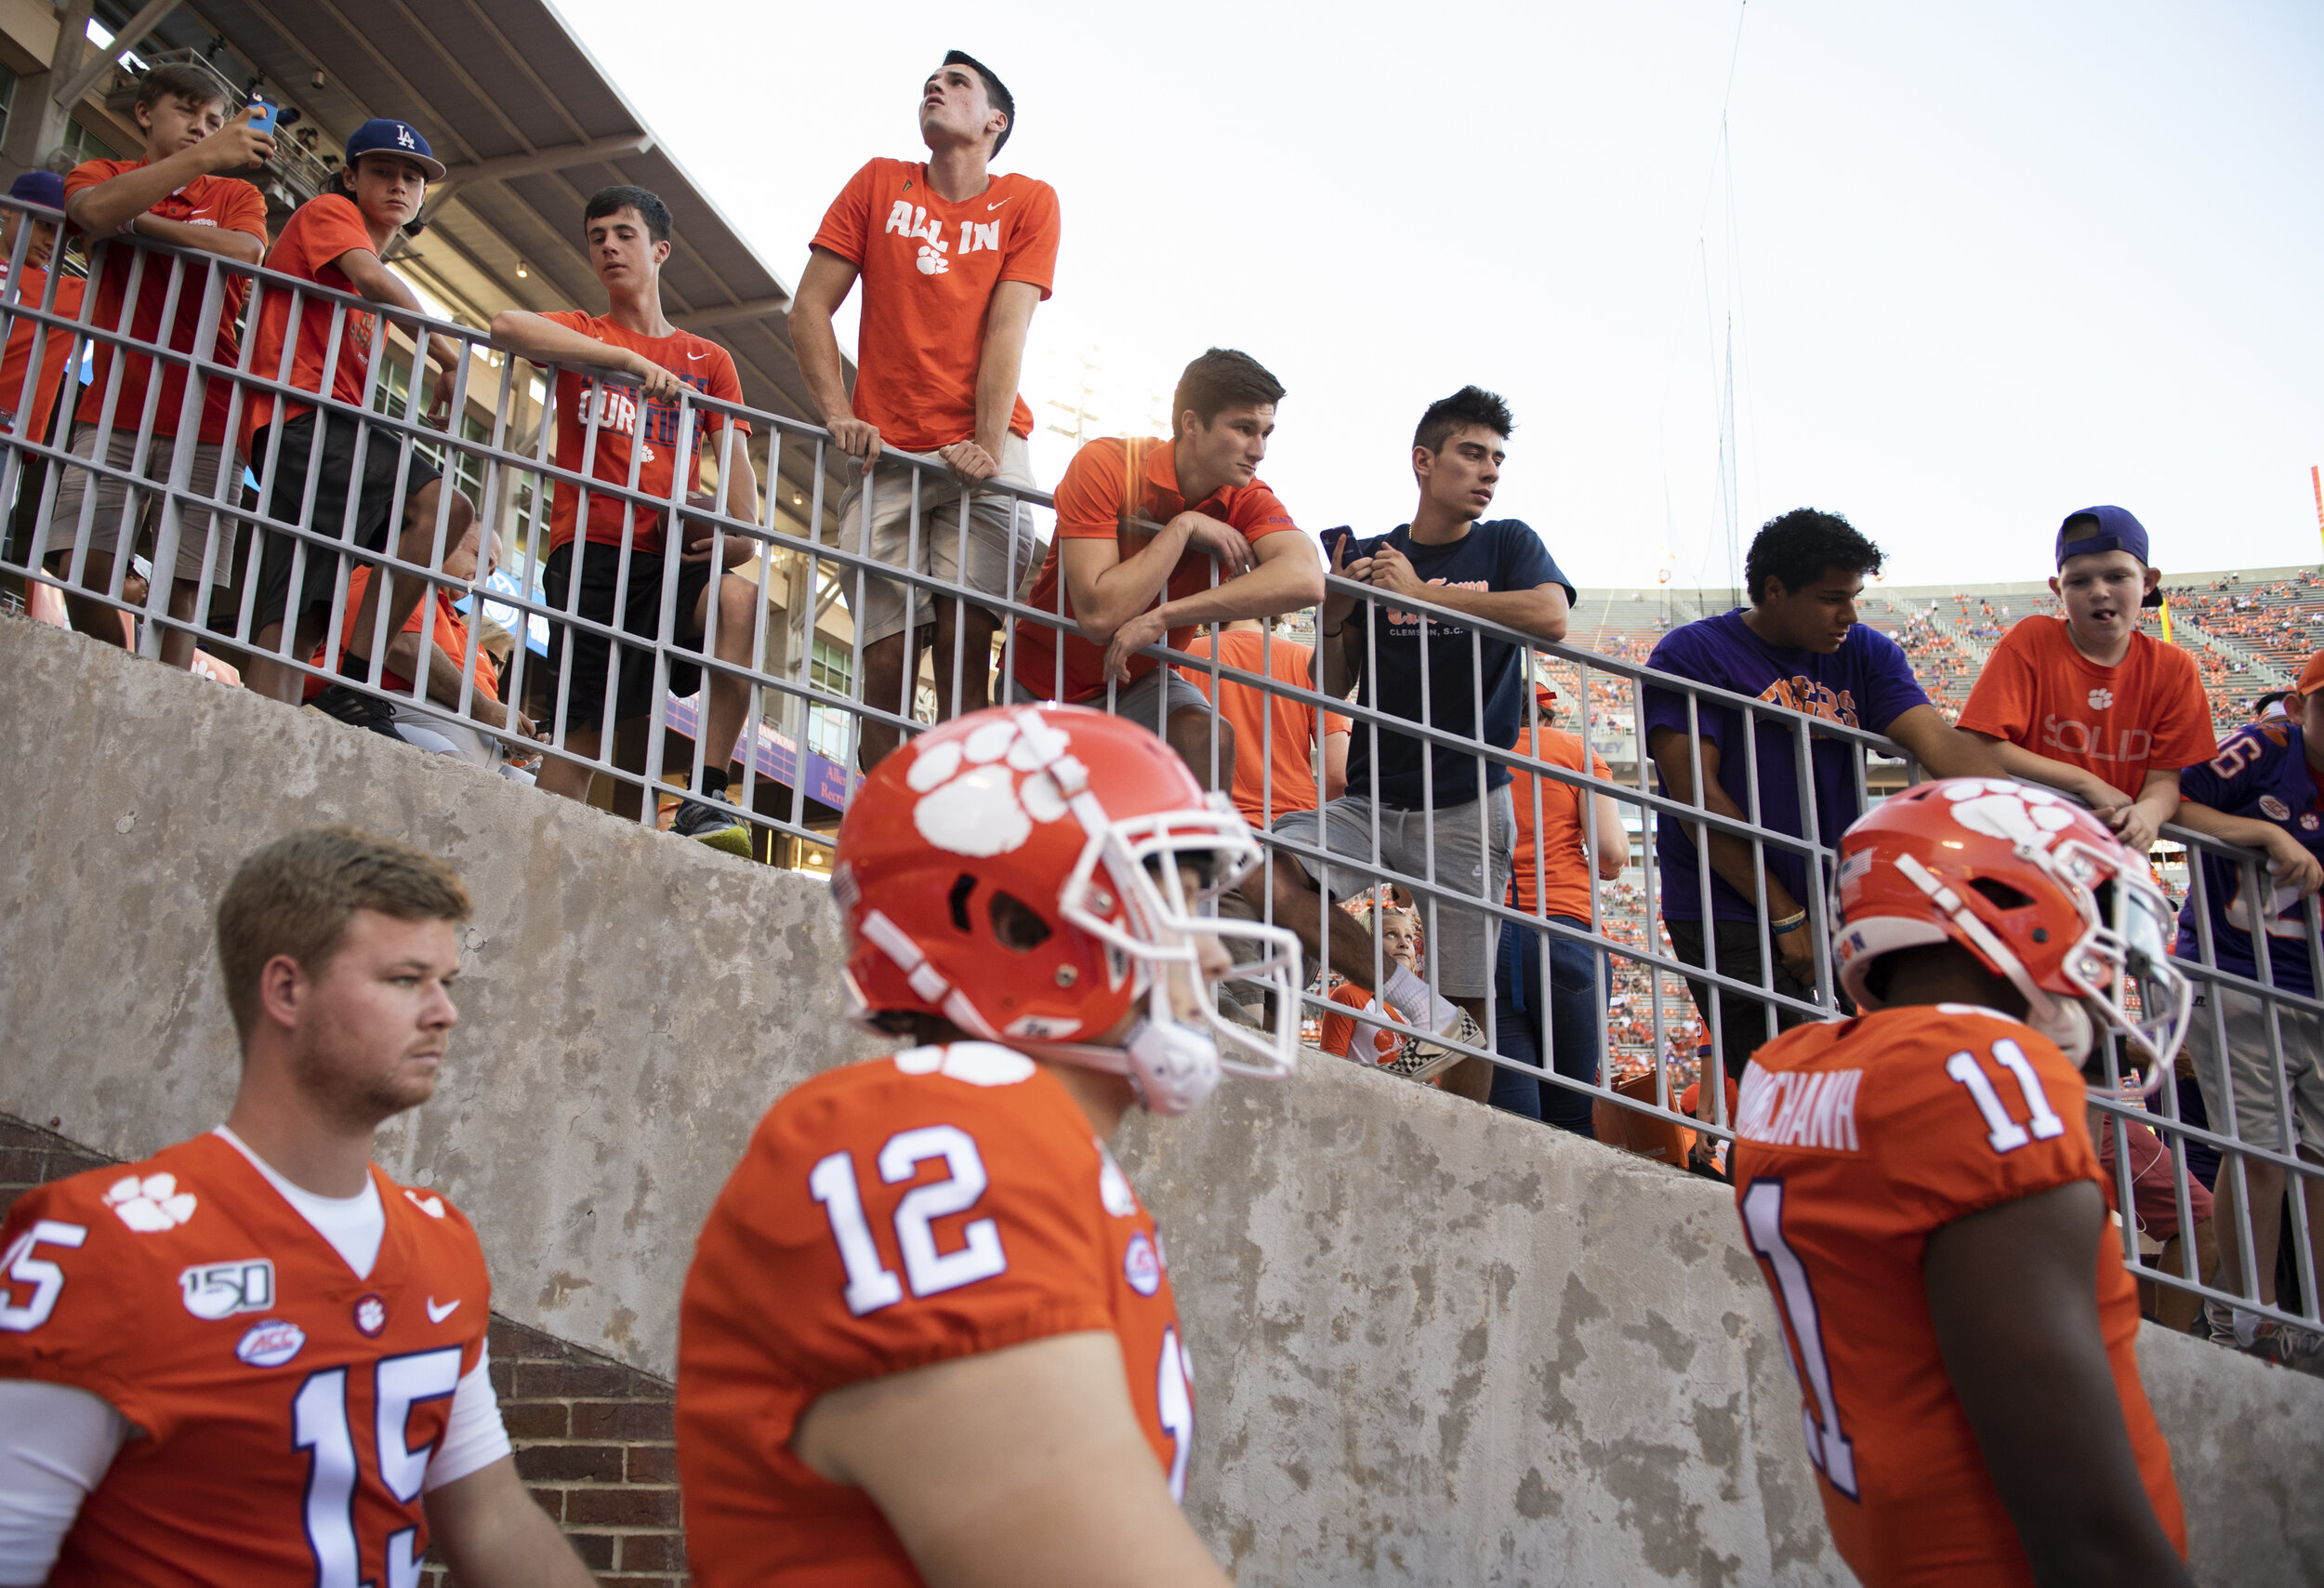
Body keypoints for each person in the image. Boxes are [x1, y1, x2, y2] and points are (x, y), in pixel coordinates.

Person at [675, 704, 1300, 1585]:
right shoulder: (934, 1139)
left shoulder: (1030, 1145)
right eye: (1175, 893)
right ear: (1014, 920)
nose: (1219, 957)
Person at [0, 827, 595, 1586]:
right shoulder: (101, 1242)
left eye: (446, 982)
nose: (444, 1012)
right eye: (406, 979)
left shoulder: (439, 1240)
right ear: (287, 990)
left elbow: (491, 1516)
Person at [1733, 776, 2193, 1588]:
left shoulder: (1791, 1069)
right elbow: (2086, 1528)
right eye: (2094, 908)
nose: (2110, 954)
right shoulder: (1978, 1076)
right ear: (2001, 897)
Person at [1643, 509, 2003, 1171]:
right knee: (1792, 1083)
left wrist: (2023, 817)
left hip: (1837, 898)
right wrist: (1786, 915)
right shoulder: (1694, 652)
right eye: (1832, 599)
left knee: (1883, 1065)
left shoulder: (1864, 653)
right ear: (1775, 590)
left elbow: (1934, 739)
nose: (1848, 616)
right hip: (1726, 904)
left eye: (1855, 598)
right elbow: (1697, 797)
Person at [1250, 385, 1572, 1103]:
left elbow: (1550, 615)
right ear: (1424, 461)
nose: (1488, 471)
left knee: (1472, 996)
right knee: (1266, 866)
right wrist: (1336, 613)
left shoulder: (1507, 541)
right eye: (1471, 453)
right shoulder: (1367, 551)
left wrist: (1425, 594)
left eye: (1497, 458)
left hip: (1464, 802)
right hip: (1372, 797)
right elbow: (1334, 688)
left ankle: (1460, 1155)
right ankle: (1411, 1003)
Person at [791, 51, 1059, 770]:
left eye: (958, 83)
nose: (935, 88)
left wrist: (985, 440)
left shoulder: (1029, 200)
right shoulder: (880, 182)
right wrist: (835, 411)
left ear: (995, 121)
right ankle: (880, 822)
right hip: (887, 454)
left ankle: (956, 826)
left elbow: (1009, 327)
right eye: (930, 83)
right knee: (883, 664)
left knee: (966, 654)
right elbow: (810, 306)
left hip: (984, 447)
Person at [490, 185, 762, 855]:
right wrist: (625, 361)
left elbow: (745, 509)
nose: (608, 246)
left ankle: (707, 791)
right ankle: (530, 860)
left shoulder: (709, 362)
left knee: (741, 598)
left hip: (668, 559)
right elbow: (503, 326)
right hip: (590, 551)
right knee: (586, 730)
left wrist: (730, 541)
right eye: (597, 236)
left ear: (660, 249)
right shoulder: (585, 334)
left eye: (624, 233)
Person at [242, 118, 475, 708]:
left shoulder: (357, 249)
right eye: (382, 171)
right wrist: (448, 358)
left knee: (301, 603)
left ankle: (264, 720)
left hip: (301, 424)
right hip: (303, 416)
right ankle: (359, 677)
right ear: (350, 176)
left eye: (412, 177)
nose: (399, 185)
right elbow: (374, 280)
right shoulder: (329, 214)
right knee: (444, 506)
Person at [1010, 348, 1323, 786]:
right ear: (1191, 423)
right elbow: (1100, 617)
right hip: (1042, 678)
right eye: (1244, 429)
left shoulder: (1247, 495)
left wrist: (1165, 616)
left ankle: (1200, 857)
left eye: (1267, 433)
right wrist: (1181, 529)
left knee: (1208, 735)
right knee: (1045, 829)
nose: (1260, 450)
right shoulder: (1107, 463)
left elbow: (1306, 578)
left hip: (1136, 683)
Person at [46, 66, 270, 672]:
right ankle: (117, 680)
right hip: (116, 403)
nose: (203, 128)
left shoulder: (237, 196)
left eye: (215, 122)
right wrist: (201, 162)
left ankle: (155, 697)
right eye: (188, 111)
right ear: (145, 112)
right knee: (82, 569)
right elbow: (92, 210)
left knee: (182, 588)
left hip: (211, 412)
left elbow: (247, 251)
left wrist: (139, 224)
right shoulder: (104, 173)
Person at [2167, 647, 2324, 1369]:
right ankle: (2243, 1316)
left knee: (2318, 1159)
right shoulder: (2267, 748)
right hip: (2237, 975)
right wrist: (2264, 832)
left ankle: (2309, 1319)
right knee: (2257, 1153)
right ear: (2297, 708)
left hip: (2313, 988)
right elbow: (2173, 798)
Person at [1959, 508, 2216, 855]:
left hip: (2113, 856)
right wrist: (2085, 782)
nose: (2099, 592)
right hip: (2026, 848)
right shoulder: (2032, 639)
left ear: (2149, 581)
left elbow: (2164, 780)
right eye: (2079, 581)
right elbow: (1976, 743)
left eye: (2117, 576)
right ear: (2057, 589)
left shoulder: (2174, 667)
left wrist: (2149, 813)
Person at [307, 519, 542, 781]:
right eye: (479, 557)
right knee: (456, 776)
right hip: (390, 720)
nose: (481, 576)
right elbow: (401, 648)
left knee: (545, 796)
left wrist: (519, 733)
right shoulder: (396, 580)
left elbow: (489, 711)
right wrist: (485, 708)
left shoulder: (470, 638)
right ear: (448, 539)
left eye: (489, 573)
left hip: (485, 761)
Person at [1493, 683, 1625, 1132]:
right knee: (1570, 1115)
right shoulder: (1574, 751)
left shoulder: (1473, 750)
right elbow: (1611, 853)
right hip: (1566, 929)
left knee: (1512, 1115)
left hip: (1490, 933)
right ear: (1547, 717)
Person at [1177, 614, 1349, 827]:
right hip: (1294, 831)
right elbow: (1338, 776)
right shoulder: (1311, 663)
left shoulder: (1180, 659)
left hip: (1211, 830)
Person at [0, 170, 86, 456]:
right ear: (9, 208)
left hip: (9, 442)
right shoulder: (65, 294)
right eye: (46, 226)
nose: (53, 242)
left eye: (65, 237)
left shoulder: (65, 294)